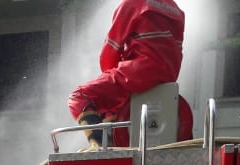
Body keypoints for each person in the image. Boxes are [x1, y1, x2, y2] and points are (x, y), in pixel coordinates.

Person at [68, 0, 193, 148]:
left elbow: (110, 52)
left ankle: (98, 146)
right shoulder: (176, 9)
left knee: (80, 96)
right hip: (168, 77)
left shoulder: (131, 4)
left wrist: (109, 78)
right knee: (116, 103)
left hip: (138, 73)